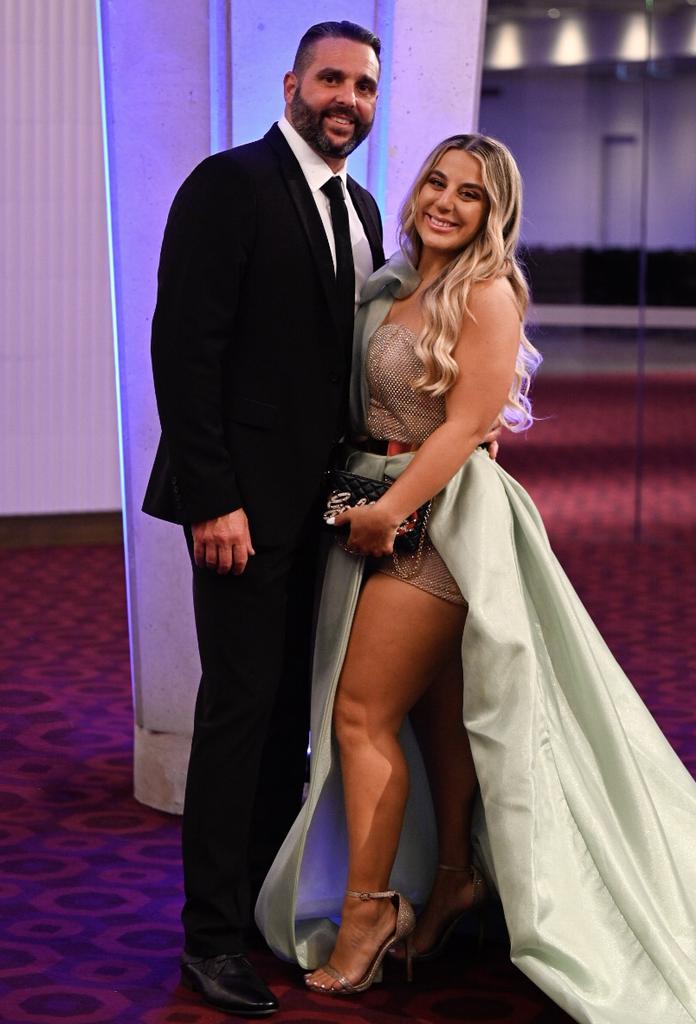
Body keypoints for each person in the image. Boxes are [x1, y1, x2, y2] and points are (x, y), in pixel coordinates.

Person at [255, 134, 696, 1022]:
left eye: (472, 195)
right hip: (378, 506)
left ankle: (369, 914)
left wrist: (388, 509)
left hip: (442, 525)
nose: (446, 203)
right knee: (435, 712)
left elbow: (465, 428)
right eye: (436, 183)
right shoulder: (397, 282)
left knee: (359, 713)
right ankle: (455, 879)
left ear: (497, 215)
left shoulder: (487, 292)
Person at [142, 21, 385, 1018]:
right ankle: (209, 940)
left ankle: (254, 912)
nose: (349, 99)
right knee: (240, 716)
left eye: (366, 87)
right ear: (292, 84)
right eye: (332, 79)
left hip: (328, 509)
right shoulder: (228, 184)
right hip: (239, 510)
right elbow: (183, 348)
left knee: (293, 716)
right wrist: (213, 498)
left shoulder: (362, 204)